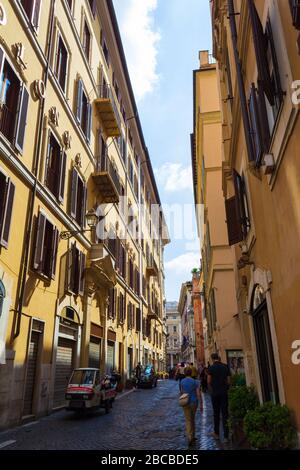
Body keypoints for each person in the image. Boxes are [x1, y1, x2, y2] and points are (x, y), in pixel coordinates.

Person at [207, 353, 231, 443]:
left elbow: (209, 381)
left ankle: (216, 433)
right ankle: (226, 436)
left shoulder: (211, 368)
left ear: (212, 359)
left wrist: (211, 390)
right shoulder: (225, 367)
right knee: (225, 414)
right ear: (219, 358)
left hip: (215, 393)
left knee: (216, 413)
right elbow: (228, 381)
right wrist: (225, 388)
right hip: (224, 393)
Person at [180, 366, 203, 447]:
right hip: (194, 402)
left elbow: (182, 392)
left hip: (186, 402)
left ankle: (190, 437)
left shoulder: (182, 381)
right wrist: (201, 404)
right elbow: (198, 394)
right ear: (191, 373)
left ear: (185, 373)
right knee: (192, 419)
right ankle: (192, 436)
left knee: (188, 420)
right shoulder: (196, 382)